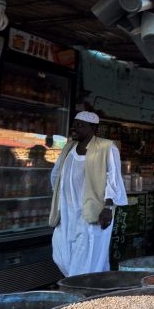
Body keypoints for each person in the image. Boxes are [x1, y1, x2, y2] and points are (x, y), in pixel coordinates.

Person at [49, 111, 127, 277]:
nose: (74, 128)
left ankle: (80, 292)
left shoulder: (107, 147)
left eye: (80, 125)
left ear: (93, 128)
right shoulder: (69, 148)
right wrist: (58, 200)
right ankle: (96, 286)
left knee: (88, 257)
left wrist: (108, 207)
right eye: (74, 124)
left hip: (94, 212)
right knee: (61, 254)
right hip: (67, 213)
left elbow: (113, 178)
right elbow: (56, 174)